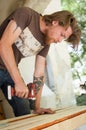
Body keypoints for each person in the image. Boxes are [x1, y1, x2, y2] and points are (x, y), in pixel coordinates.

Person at [0, 7, 81, 116]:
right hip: (7, 68)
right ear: (55, 22)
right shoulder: (26, 15)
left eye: (63, 39)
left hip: (8, 71)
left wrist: (37, 107)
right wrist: (19, 82)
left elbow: (39, 74)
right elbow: (4, 45)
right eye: (62, 35)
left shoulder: (46, 42)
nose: (59, 40)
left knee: (24, 110)